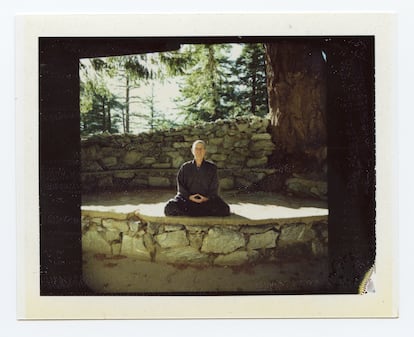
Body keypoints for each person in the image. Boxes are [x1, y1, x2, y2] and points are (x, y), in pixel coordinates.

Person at [164, 140, 230, 217]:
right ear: (192, 151)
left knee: (224, 209)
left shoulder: (212, 167)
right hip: (188, 200)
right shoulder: (185, 167)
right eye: (196, 149)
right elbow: (181, 186)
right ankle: (202, 212)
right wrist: (189, 197)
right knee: (170, 207)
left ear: (205, 151)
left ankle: (191, 212)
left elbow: (214, 186)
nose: (199, 151)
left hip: (206, 200)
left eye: (201, 149)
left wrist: (206, 198)